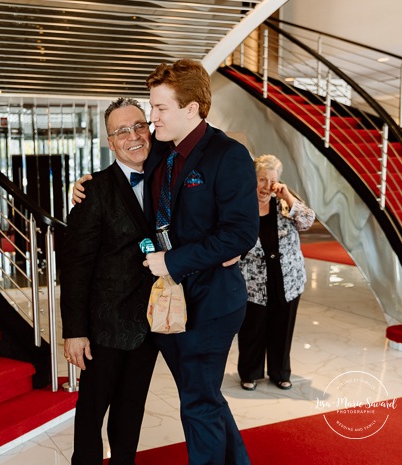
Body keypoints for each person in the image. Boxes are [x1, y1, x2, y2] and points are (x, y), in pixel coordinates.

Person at [141, 59, 258, 465]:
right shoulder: (160, 151)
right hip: (169, 302)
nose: (151, 118)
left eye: (161, 108)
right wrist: (85, 184)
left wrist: (173, 261)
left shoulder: (229, 155)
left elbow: (240, 233)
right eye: (151, 106)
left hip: (211, 303)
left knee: (196, 401)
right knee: (203, 393)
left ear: (192, 109)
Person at [60, 97, 159, 465]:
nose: (133, 136)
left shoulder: (168, 181)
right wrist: (74, 330)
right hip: (103, 328)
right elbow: (75, 267)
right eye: (122, 131)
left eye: (139, 126)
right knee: (91, 412)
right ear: (110, 141)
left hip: (150, 323)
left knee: (131, 411)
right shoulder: (93, 191)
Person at [237, 154, 315, 392]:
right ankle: (250, 372)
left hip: (287, 279)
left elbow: (308, 221)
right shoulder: (241, 204)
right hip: (253, 280)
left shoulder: (285, 203)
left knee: (283, 327)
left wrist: (288, 196)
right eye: (262, 179)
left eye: (272, 180)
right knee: (252, 328)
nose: (267, 186)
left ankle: (281, 373)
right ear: (253, 179)